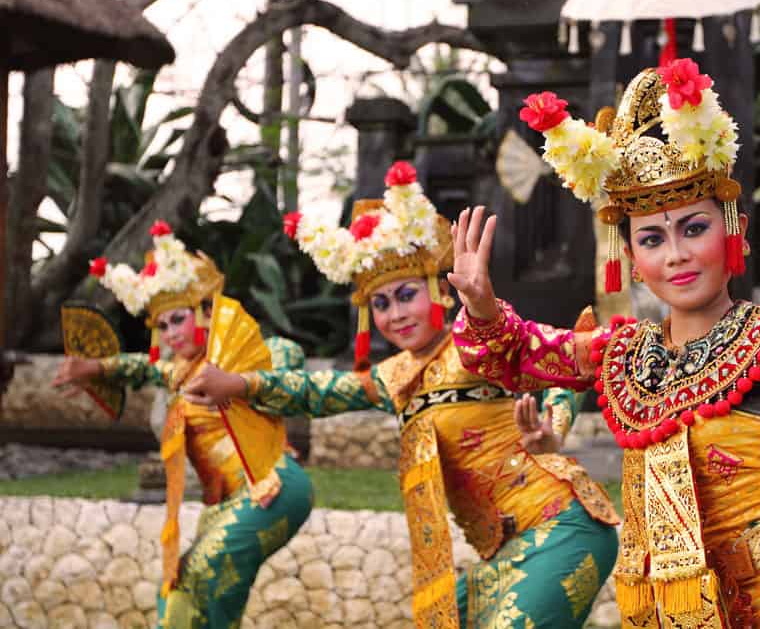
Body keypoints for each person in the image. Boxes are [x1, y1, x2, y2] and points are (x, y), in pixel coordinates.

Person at [447, 61, 760, 628]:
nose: (676, 253)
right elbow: (515, 353)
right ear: (635, 265)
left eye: (693, 228)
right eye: (652, 238)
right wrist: (479, 305)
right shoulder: (619, 353)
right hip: (695, 612)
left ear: (730, 230)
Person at [181, 162, 620, 628]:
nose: (396, 314)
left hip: (561, 526)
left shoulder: (473, 345)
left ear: (439, 291)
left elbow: (553, 369)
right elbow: (316, 390)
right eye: (382, 304)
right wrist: (239, 384)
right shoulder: (395, 376)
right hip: (509, 549)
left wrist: (553, 428)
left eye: (406, 295)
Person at [51, 221, 312, 628]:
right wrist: (93, 367)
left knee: (203, 569)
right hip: (225, 504)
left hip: (273, 485)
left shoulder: (243, 353)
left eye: (178, 320)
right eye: (162, 326)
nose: (171, 334)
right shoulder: (179, 373)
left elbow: (289, 354)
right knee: (181, 595)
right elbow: (141, 367)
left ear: (206, 313)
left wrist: (240, 378)